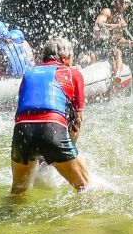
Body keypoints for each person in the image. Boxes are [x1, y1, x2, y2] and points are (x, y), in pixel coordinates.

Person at [10, 37, 90, 194]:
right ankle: (83, 218)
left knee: (17, 193)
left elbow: (22, 112)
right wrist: (65, 150)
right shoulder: (72, 73)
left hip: (21, 133)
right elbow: (77, 120)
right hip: (52, 129)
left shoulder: (29, 73)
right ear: (64, 57)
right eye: (72, 57)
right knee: (86, 187)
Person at [93, 0, 133, 84]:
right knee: (116, 52)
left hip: (108, 49)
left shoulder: (121, 19)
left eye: (125, 3)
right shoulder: (107, 11)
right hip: (97, 47)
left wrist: (131, 43)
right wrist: (117, 26)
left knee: (118, 52)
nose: (124, 6)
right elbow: (99, 24)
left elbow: (119, 40)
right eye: (122, 3)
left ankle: (117, 77)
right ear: (115, 3)